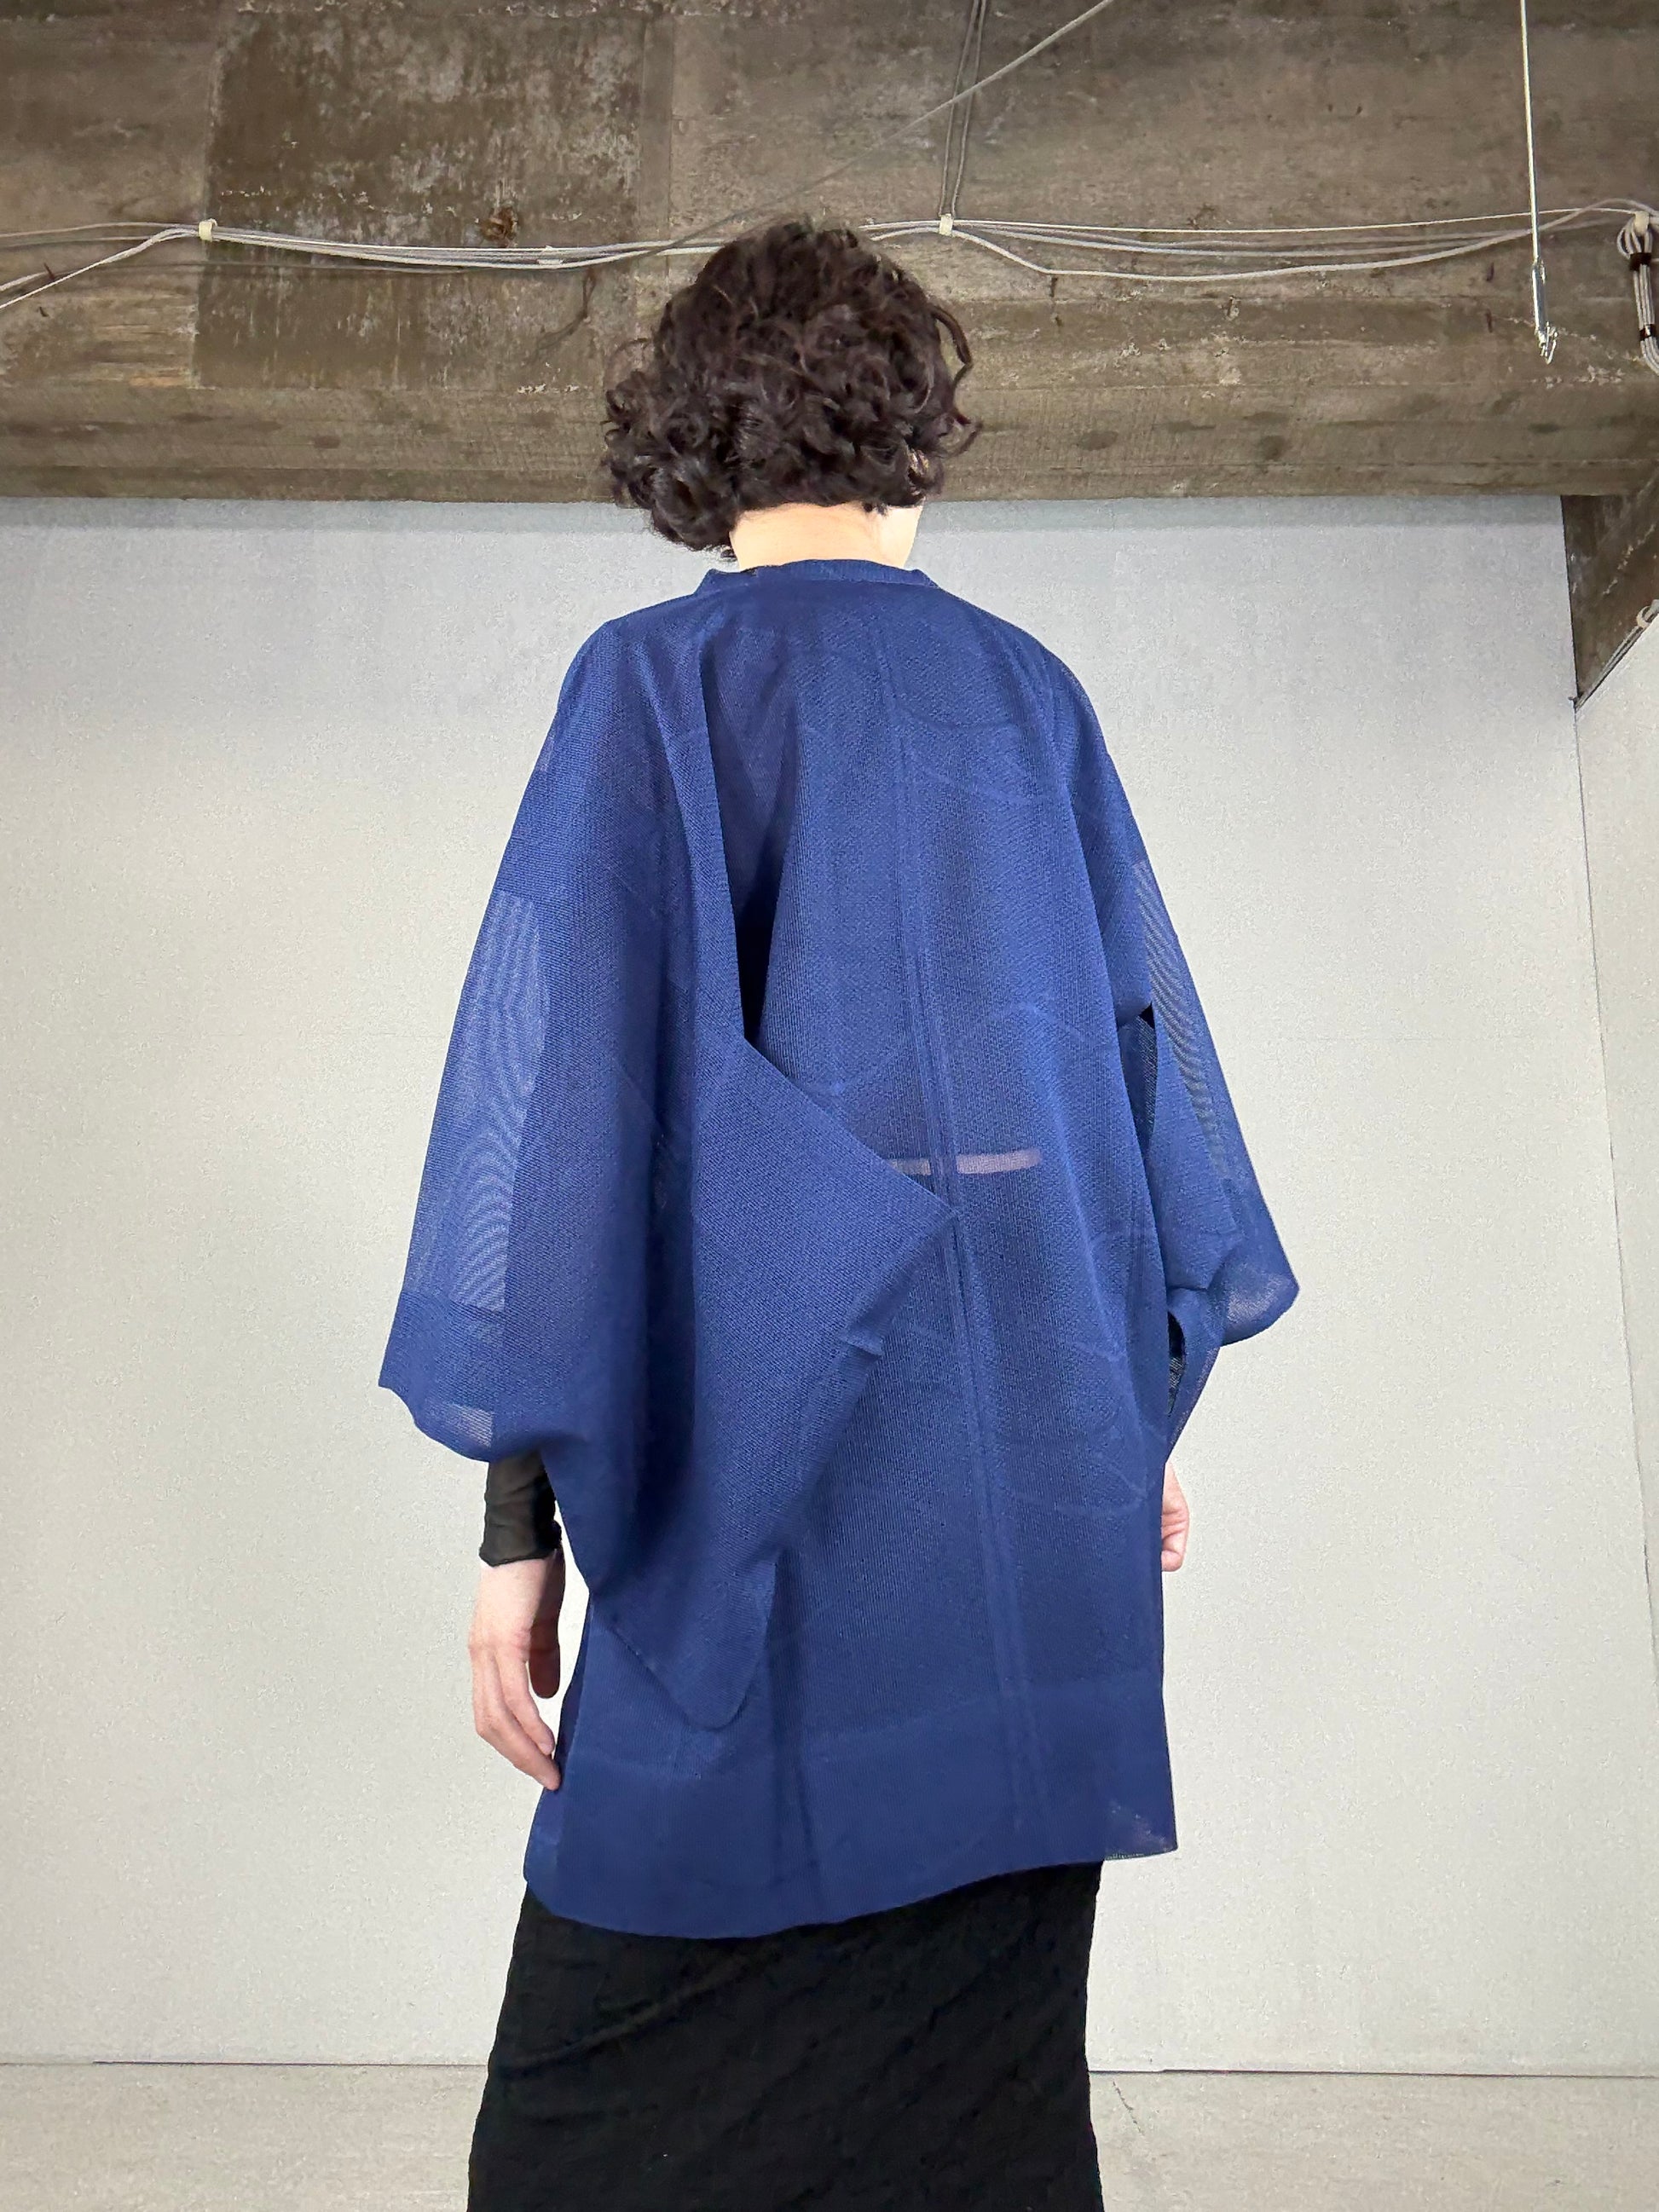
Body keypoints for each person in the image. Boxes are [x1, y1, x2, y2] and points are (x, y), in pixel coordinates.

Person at [378, 214, 1298, 2212]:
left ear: (691, 436)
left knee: (594, 2144)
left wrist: (516, 1534)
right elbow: (1116, 1106)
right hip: (1021, 1501)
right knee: (972, 2123)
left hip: (764, 1506)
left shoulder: (650, 687)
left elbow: (560, 1140)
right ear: (909, 423)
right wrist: (1120, 1406)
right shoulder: (1028, 700)